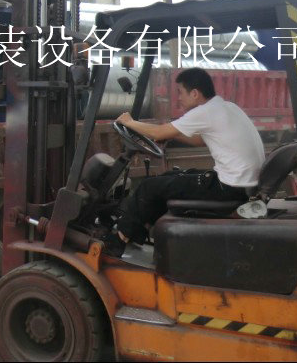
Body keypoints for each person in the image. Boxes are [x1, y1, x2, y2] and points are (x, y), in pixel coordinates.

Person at [102, 67, 264, 257]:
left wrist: (129, 122)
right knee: (169, 177)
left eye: (180, 92)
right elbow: (200, 140)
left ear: (195, 93)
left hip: (227, 188)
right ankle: (141, 231)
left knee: (148, 187)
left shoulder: (206, 111)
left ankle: (118, 241)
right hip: (240, 185)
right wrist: (173, 136)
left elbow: (159, 132)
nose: (179, 98)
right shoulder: (227, 107)